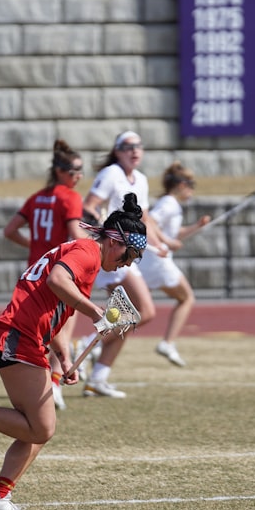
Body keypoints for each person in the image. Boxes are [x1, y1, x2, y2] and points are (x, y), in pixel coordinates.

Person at [0, 194, 148, 510]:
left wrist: (65, 359)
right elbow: (57, 281)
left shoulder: (87, 258)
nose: (128, 263)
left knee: (38, 427)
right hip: (17, 335)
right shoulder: (86, 252)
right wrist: (95, 309)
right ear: (115, 241)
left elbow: (54, 312)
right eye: (131, 254)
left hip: (29, 338)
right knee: (42, 429)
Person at [75, 130, 164, 398]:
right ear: (117, 151)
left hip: (127, 255)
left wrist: (162, 243)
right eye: (127, 147)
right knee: (142, 311)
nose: (134, 151)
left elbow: (146, 218)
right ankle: (85, 345)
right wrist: (106, 233)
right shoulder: (112, 174)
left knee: (127, 316)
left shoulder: (142, 180)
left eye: (138, 146)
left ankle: (98, 377)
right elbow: (88, 206)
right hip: (111, 254)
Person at [2, 139, 89, 410]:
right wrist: (97, 245)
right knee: (60, 330)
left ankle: (46, 385)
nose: (79, 176)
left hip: (34, 273)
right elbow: (76, 234)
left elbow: (10, 230)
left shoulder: (36, 198)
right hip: (61, 271)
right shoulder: (70, 198)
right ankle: (53, 385)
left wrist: (36, 246)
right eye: (75, 171)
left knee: (45, 333)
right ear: (61, 171)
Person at [138, 162, 210, 367]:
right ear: (180, 184)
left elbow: (172, 232)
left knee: (133, 312)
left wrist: (196, 227)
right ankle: (168, 343)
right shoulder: (169, 203)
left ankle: (94, 346)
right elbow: (149, 222)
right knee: (186, 298)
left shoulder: (171, 205)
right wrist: (167, 243)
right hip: (158, 261)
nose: (192, 189)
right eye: (190, 184)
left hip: (153, 261)